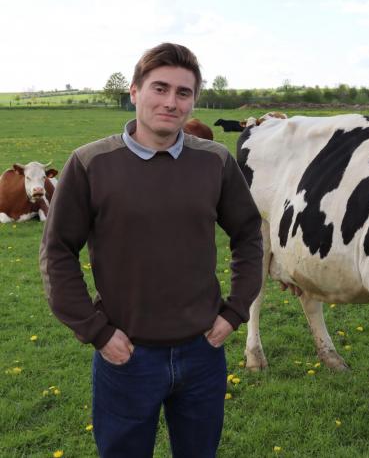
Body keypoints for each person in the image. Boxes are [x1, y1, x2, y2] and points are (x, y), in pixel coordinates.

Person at [39, 42, 263, 457]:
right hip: (126, 356)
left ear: (194, 99)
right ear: (135, 91)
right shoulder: (90, 163)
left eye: (183, 93)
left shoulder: (214, 161)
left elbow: (248, 234)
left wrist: (234, 312)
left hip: (203, 352)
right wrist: (97, 332)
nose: (171, 102)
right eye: (159, 88)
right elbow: (57, 253)